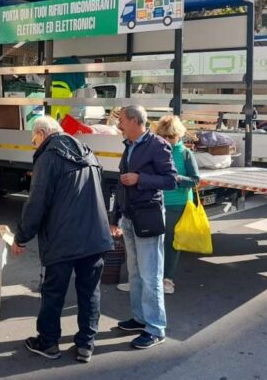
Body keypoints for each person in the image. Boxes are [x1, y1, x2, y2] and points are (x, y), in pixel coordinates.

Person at [13, 116, 113, 363]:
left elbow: (36, 202)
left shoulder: (49, 157)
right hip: (94, 236)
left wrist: (22, 236)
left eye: (33, 139)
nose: (34, 144)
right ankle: (86, 344)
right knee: (89, 292)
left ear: (42, 134)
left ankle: (48, 342)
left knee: (53, 292)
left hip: (62, 238)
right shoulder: (88, 152)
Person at [110, 105, 177, 350]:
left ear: (134, 121)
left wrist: (141, 179)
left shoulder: (158, 145)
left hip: (147, 217)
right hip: (129, 217)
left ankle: (156, 328)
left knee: (151, 275)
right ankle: (140, 319)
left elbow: (171, 180)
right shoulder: (129, 145)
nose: (119, 125)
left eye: (121, 121)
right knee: (136, 273)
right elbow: (121, 183)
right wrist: (115, 217)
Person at [154, 115, 200, 295]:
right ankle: (152, 277)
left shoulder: (185, 153)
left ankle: (168, 279)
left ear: (179, 135)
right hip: (156, 202)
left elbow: (195, 180)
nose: (167, 140)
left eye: (171, 136)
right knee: (154, 241)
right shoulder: (156, 150)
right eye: (163, 136)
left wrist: (177, 179)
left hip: (177, 204)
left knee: (171, 242)